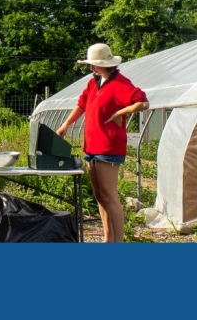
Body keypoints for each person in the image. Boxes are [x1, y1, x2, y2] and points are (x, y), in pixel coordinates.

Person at [56, 43, 149, 243]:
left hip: (108, 147)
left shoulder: (120, 84)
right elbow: (81, 105)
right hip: (91, 146)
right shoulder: (93, 83)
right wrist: (65, 125)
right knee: (99, 196)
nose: (91, 68)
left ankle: (119, 242)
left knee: (109, 195)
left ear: (106, 64)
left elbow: (143, 102)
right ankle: (108, 239)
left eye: (94, 65)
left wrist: (120, 112)